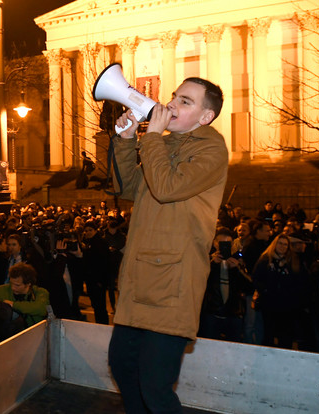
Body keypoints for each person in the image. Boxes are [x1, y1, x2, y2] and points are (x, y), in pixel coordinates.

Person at [108, 77, 227, 413]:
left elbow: (166, 187)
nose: (172, 103)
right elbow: (128, 188)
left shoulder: (211, 148)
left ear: (205, 117)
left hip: (172, 284)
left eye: (185, 101)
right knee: (122, 367)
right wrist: (126, 140)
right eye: (175, 96)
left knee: (155, 387)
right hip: (140, 279)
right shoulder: (166, 144)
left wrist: (150, 139)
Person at [0, 263, 49, 351]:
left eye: (17, 285)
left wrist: (13, 305)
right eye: (11, 283)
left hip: (33, 342)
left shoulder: (40, 293)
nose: (13, 288)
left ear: (28, 284)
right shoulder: (5, 290)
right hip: (9, 344)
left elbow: (40, 308)